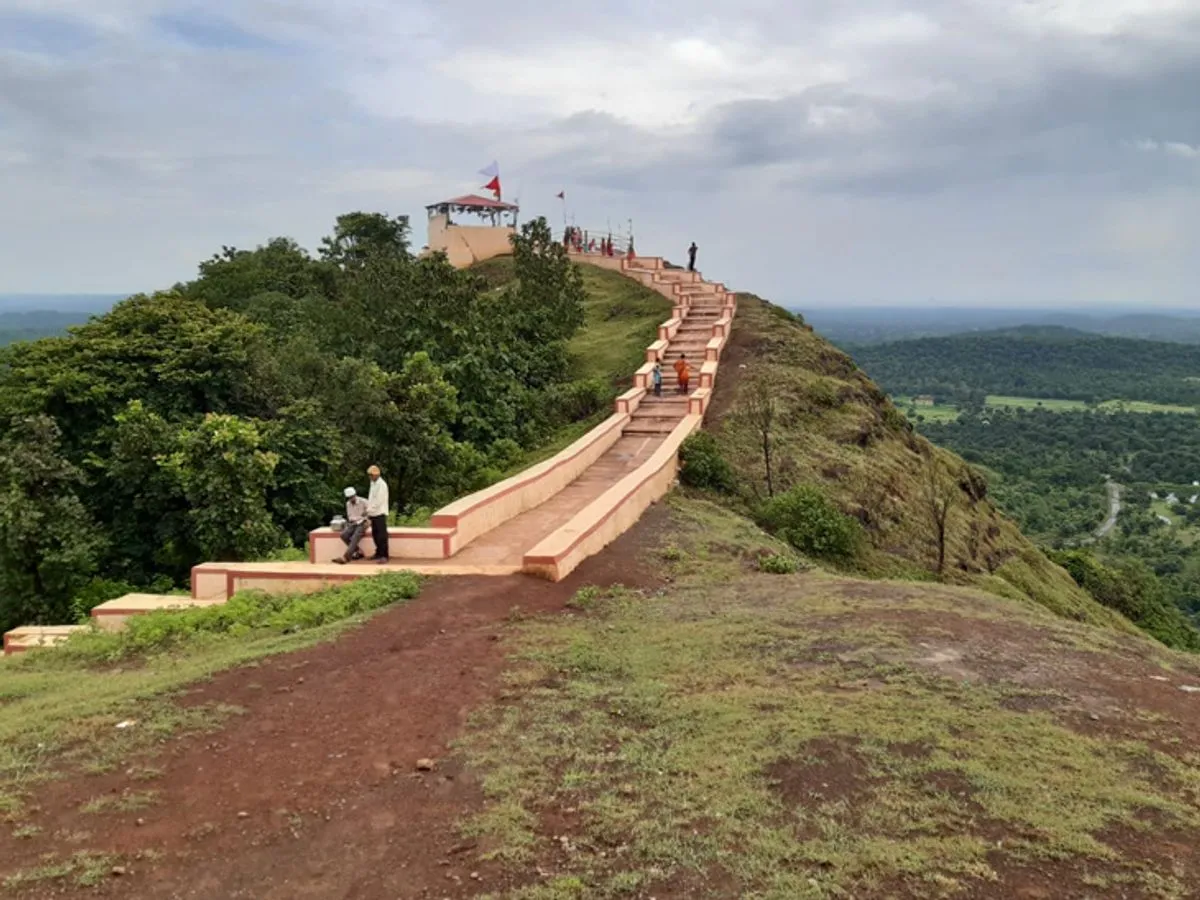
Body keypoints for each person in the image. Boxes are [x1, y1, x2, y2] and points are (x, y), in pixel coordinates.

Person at [333, 487, 369, 564]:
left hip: (364, 522)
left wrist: (362, 517)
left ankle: (346, 557)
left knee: (355, 536)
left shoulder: (364, 501)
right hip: (354, 522)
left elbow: (370, 513)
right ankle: (358, 551)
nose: (351, 499)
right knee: (344, 535)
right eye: (349, 498)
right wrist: (358, 518)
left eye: (352, 497)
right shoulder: (348, 504)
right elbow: (350, 517)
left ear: (355, 495)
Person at [366, 464, 390, 565]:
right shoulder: (373, 483)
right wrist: (369, 510)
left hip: (380, 512)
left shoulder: (382, 484)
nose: (370, 477)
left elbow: (379, 500)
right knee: (375, 534)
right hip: (373, 513)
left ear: (376, 475)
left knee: (381, 535)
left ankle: (384, 555)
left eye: (371, 475)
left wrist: (370, 509)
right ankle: (378, 552)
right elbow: (371, 497)